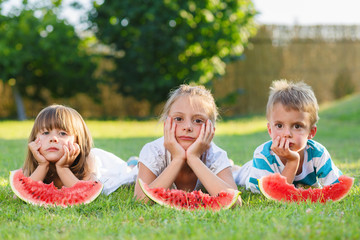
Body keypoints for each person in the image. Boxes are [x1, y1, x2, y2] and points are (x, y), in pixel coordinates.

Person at [134, 84, 240, 205]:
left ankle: (232, 166)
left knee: (235, 172)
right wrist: (178, 158)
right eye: (179, 119)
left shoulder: (216, 155)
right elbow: (140, 200)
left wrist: (193, 158)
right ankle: (133, 163)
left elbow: (235, 201)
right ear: (166, 125)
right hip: (142, 166)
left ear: (211, 131)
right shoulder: (153, 151)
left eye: (198, 121)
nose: (188, 127)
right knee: (129, 173)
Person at [233, 80, 342, 193]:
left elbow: (336, 186)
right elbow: (277, 194)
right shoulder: (263, 156)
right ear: (270, 130)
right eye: (279, 125)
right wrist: (292, 161)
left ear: (311, 132)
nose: (287, 134)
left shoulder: (318, 154)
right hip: (249, 171)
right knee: (235, 173)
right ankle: (233, 167)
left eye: (297, 126)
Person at [21, 104, 137, 195]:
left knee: (127, 173)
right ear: (35, 139)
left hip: (103, 167)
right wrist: (42, 165)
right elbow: (19, 195)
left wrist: (62, 168)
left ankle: (133, 163)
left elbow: (88, 193)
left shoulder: (88, 159)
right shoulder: (34, 163)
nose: (53, 139)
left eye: (62, 133)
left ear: (77, 140)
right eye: (46, 132)